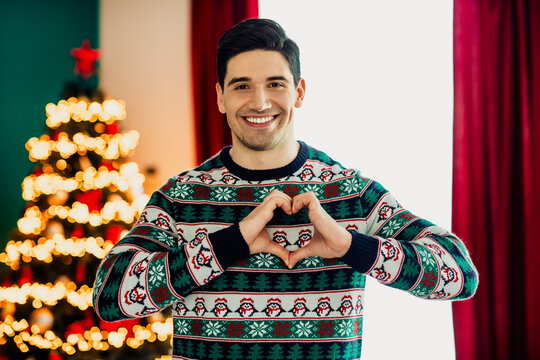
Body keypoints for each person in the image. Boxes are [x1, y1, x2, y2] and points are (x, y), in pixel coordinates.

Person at [93, 18, 478, 360]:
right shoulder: (180, 197)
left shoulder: (352, 192)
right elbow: (109, 297)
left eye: (275, 84)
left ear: (299, 91)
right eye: (241, 85)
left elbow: (459, 275)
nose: (260, 101)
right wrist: (228, 245)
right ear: (220, 97)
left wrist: (349, 246)